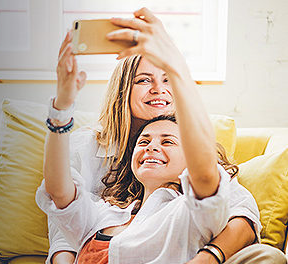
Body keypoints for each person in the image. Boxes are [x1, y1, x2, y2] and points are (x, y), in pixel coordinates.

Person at [39, 7, 287, 264]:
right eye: (145, 80)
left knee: (266, 256)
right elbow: (63, 208)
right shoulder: (106, 208)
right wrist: (62, 104)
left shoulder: (188, 206)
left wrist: (207, 258)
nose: (159, 90)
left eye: (168, 141)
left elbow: (231, 206)